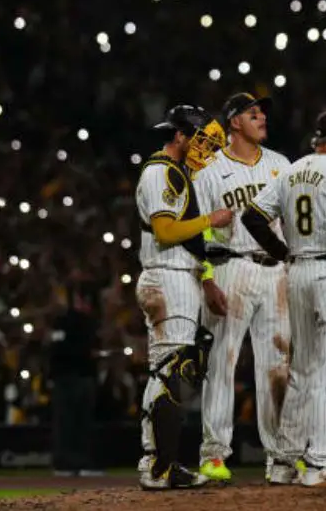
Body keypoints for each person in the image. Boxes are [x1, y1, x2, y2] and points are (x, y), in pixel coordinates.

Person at [240, 107, 326, 488]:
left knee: (301, 369)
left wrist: (282, 252)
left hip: (297, 271)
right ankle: (319, 461)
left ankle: (284, 460)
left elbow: (251, 216)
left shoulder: (292, 170)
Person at [192, 93, 293, 484]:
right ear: (234, 122)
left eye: (263, 111)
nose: (262, 116)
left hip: (275, 272)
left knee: (278, 365)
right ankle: (214, 455)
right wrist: (205, 278)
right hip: (229, 266)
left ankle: (281, 457)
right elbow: (199, 229)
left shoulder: (280, 164)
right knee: (221, 363)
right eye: (253, 113)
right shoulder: (210, 169)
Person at [133, 104, 234, 490]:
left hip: (177, 275)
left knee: (166, 372)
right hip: (168, 277)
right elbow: (165, 230)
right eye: (200, 140)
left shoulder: (175, 172)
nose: (204, 149)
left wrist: (207, 257)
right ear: (179, 135)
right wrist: (212, 220)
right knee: (168, 373)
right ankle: (160, 468)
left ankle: (157, 463)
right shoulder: (161, 171)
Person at [49, 285, 103, 477]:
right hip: (66, 379)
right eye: (83, 299)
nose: (86, 304)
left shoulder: (91, 323)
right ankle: (63, 465)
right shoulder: (62, 322)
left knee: (83, 424)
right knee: (66, 423)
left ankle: (83, 463)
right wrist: (86, 354)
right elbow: (57, 349)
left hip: (85, 378)